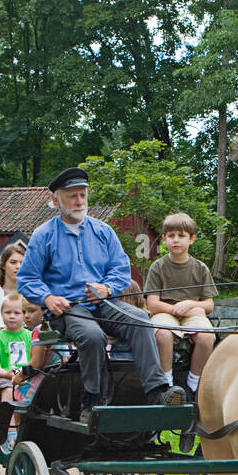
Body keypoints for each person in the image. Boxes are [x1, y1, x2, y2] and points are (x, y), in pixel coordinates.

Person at [16, 165, 184, 424]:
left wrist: (108, 288)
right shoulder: (43, 235)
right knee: (93, 337)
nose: (80, 201)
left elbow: (120, 269)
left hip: (104, 302)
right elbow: (26, 279)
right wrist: (48, 298)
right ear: (55, 199)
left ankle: (157, 391)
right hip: (68, 309)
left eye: (83, 194)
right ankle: (93, 400)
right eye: (72, 195)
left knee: (140, 320)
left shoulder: (103, 231)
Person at [144, 212, 218, 398]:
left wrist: (190, 304)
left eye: (181, 236)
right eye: (171, 236)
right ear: (164, 239)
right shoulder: (158, 267)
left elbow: (209, 304)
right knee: (162, 334)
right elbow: (152, 304)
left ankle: (193, 384)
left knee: (207, 337)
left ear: (191, 239)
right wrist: (174, 309)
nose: (175, 240)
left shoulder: (200, 268)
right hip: (164, 311)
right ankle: (166, 384)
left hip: (192, 312)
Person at [0, 293, 40, 449]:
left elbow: (36, 358)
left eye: (17, 313)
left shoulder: (30, 336)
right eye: (8, 313)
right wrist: (6, 373)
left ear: (24, 315)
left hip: (26, 376)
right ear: (2, 314)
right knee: (8, 389)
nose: (12, 316)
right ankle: (10, 429)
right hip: (2, 377)